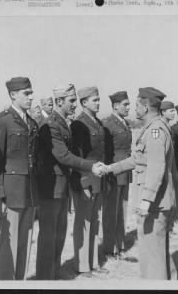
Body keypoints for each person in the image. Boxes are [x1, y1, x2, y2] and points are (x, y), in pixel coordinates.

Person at [103, 87, 178, 279]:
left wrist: (146, 199)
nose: (134, 109)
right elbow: (137, 159)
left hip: (154, 204)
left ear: (145, 107)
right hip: (156, 203)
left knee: (152, 259)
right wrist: (109, 168)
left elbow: (156, 167)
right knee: (157, 254)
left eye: (137, 105)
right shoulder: (153, 128)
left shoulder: (155, 131)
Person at [35, 83, 105, 280]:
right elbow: (63, 156)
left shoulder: (62, 122)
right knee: (49, 236)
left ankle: (53, 275)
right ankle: (43, 279)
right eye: (71, 100)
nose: (75, 104)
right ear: (59, 101)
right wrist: (90, 166)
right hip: (51, 188)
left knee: (59, 235)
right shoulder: (50, 124)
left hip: (62, 186)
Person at [0, 77, 39, 280]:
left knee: (25, 240)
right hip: (10, 192)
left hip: (29, 190)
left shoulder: (31, 122)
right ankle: (7, 284)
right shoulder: (2, 121)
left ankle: (21, 282)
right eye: (27, 93)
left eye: (31, 93)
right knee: (10, 242)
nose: (31, 97)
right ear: (13, 95)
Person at [70, 86, 108, 277]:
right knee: (83, 222)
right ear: (84, 102)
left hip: (98, 180)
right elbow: (77, 157)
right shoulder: (78, 124)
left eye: (99, 99)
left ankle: (93, 262)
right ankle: (82, 265)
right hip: (85, 180)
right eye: (95, 100)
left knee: (94, 221)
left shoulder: (97, 123)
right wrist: (84, 183)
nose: (98, 103)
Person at [101, 91, 132, 258]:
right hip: (113, 172)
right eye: (125, 104)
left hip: (125, 171)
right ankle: (109, 247)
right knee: (111, 211)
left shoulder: (124, 123)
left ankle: (119, 244)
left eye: (128, 104)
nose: (129, 107)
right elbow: (106, 152)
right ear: (115, 106)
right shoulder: (108, 124)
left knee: (122, 210)